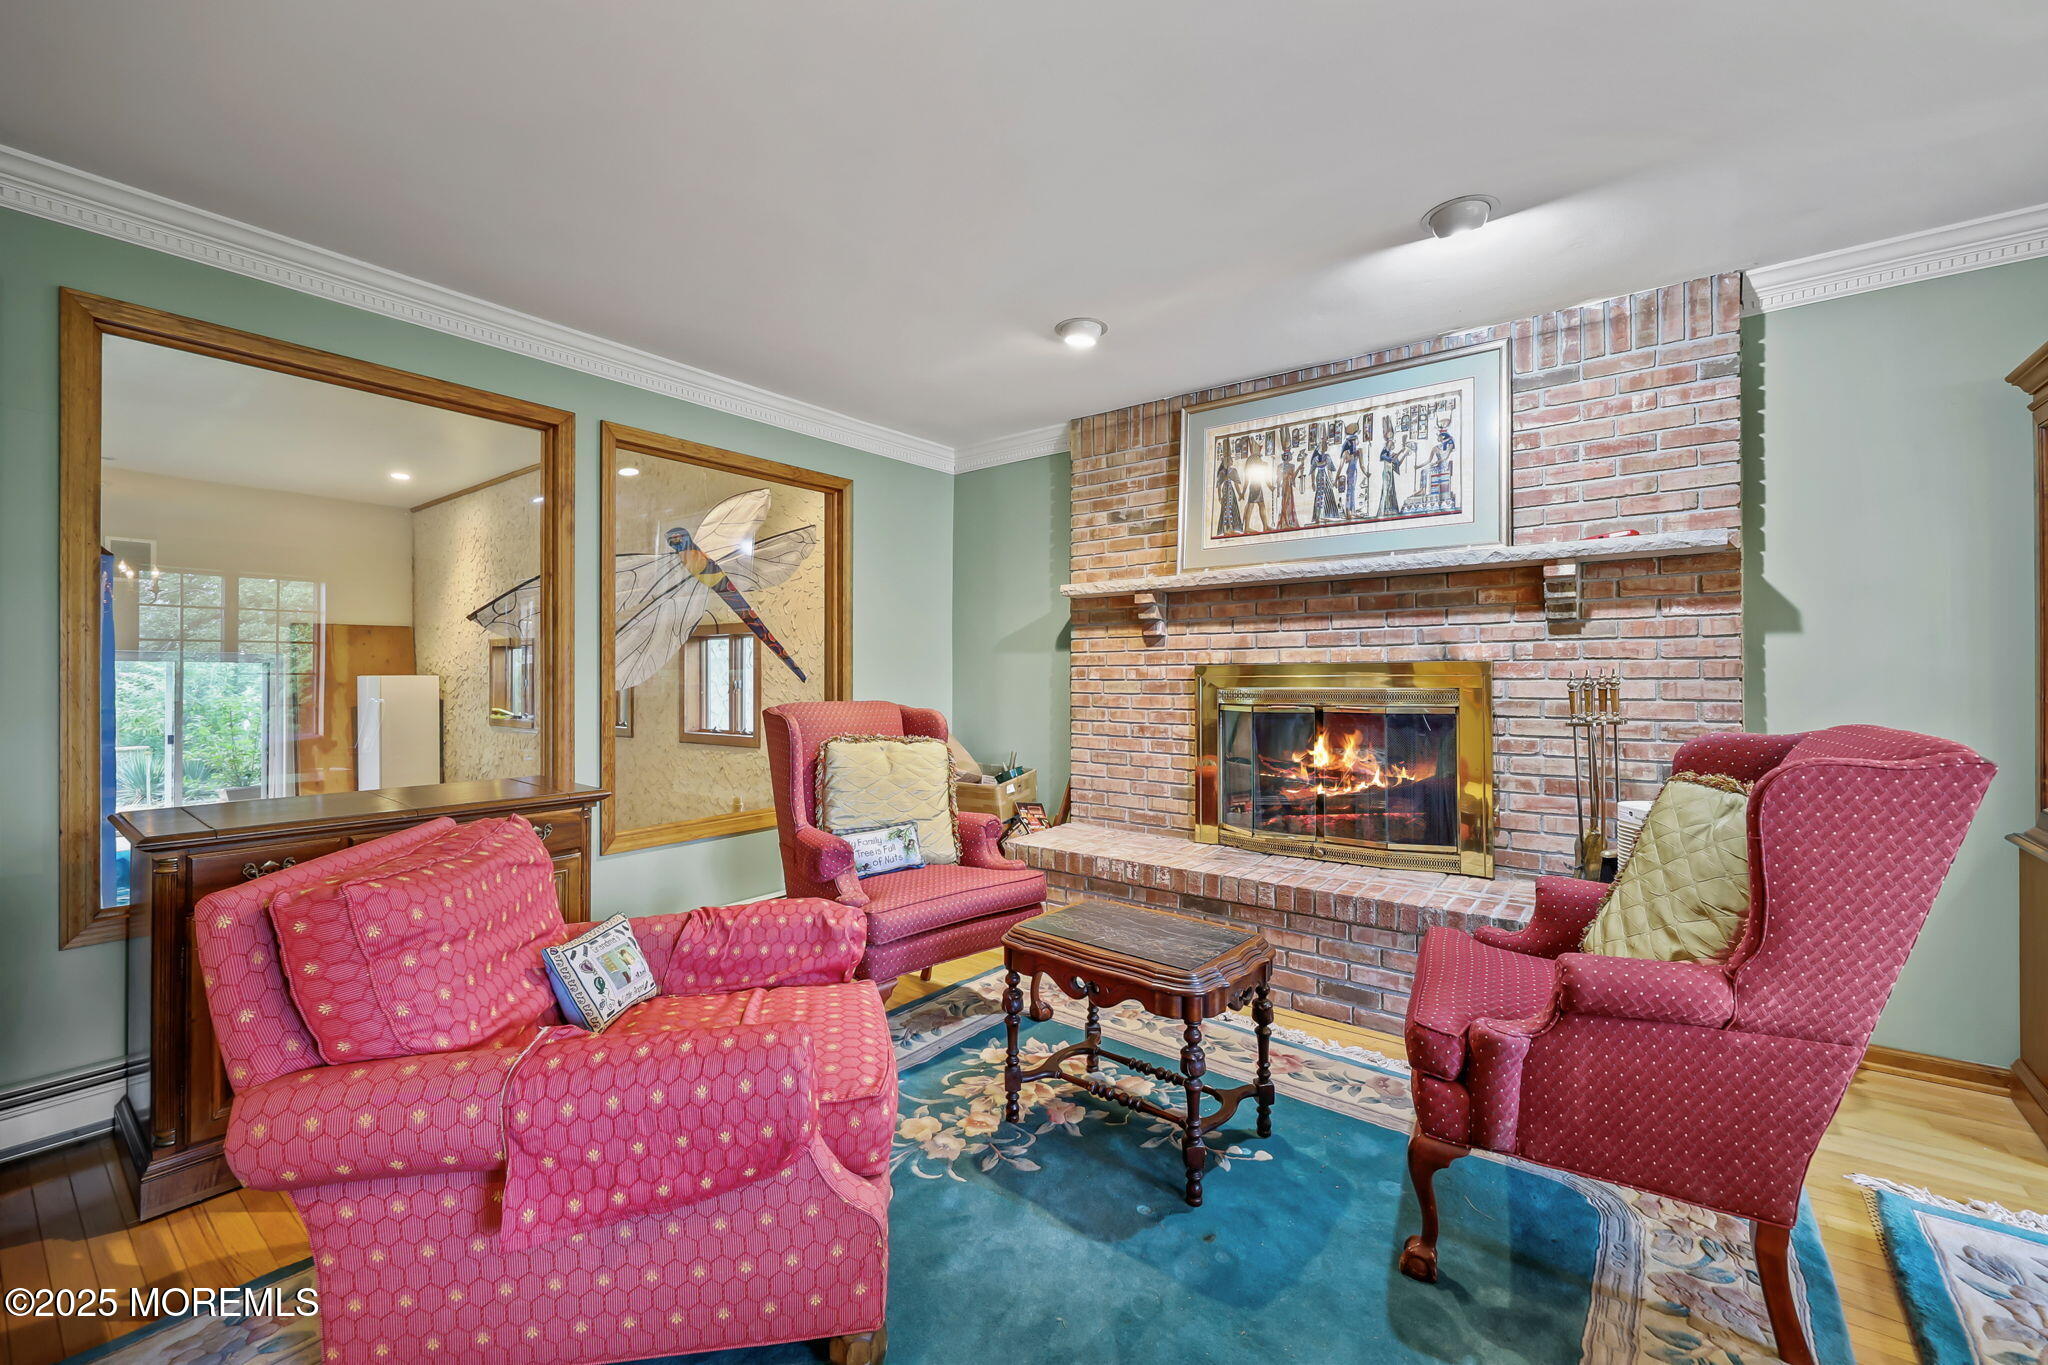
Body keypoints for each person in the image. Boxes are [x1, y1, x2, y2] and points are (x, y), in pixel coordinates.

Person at [1213, 445, 1245, 537]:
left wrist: (1240, 494)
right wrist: (1220, 497)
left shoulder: (1233, 471)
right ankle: (1226, 529)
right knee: (1226, 509)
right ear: (1226, 461)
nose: (1232, 461)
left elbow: (1236, 484)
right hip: (1226, 491)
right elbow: (1219, 486)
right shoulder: (1222, 472)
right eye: (1231, 459)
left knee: (1232, 508)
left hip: (1231, 491)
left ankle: (1232, 528)